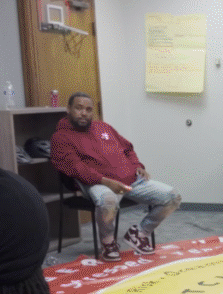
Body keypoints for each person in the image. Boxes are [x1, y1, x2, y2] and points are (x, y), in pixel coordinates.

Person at [50, 91, 181, 261]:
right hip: (97, 183)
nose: (84, 113)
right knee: (108, 200)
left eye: (88, 109)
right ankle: (108, 243)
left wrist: (137, 165)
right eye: (79, 108)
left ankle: (140, 233)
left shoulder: (104, 128)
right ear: (68, 109)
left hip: (131, 181)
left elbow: (127, 148)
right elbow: (76, 168)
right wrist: (106, 182)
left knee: (173, 197)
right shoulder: (60, 137)